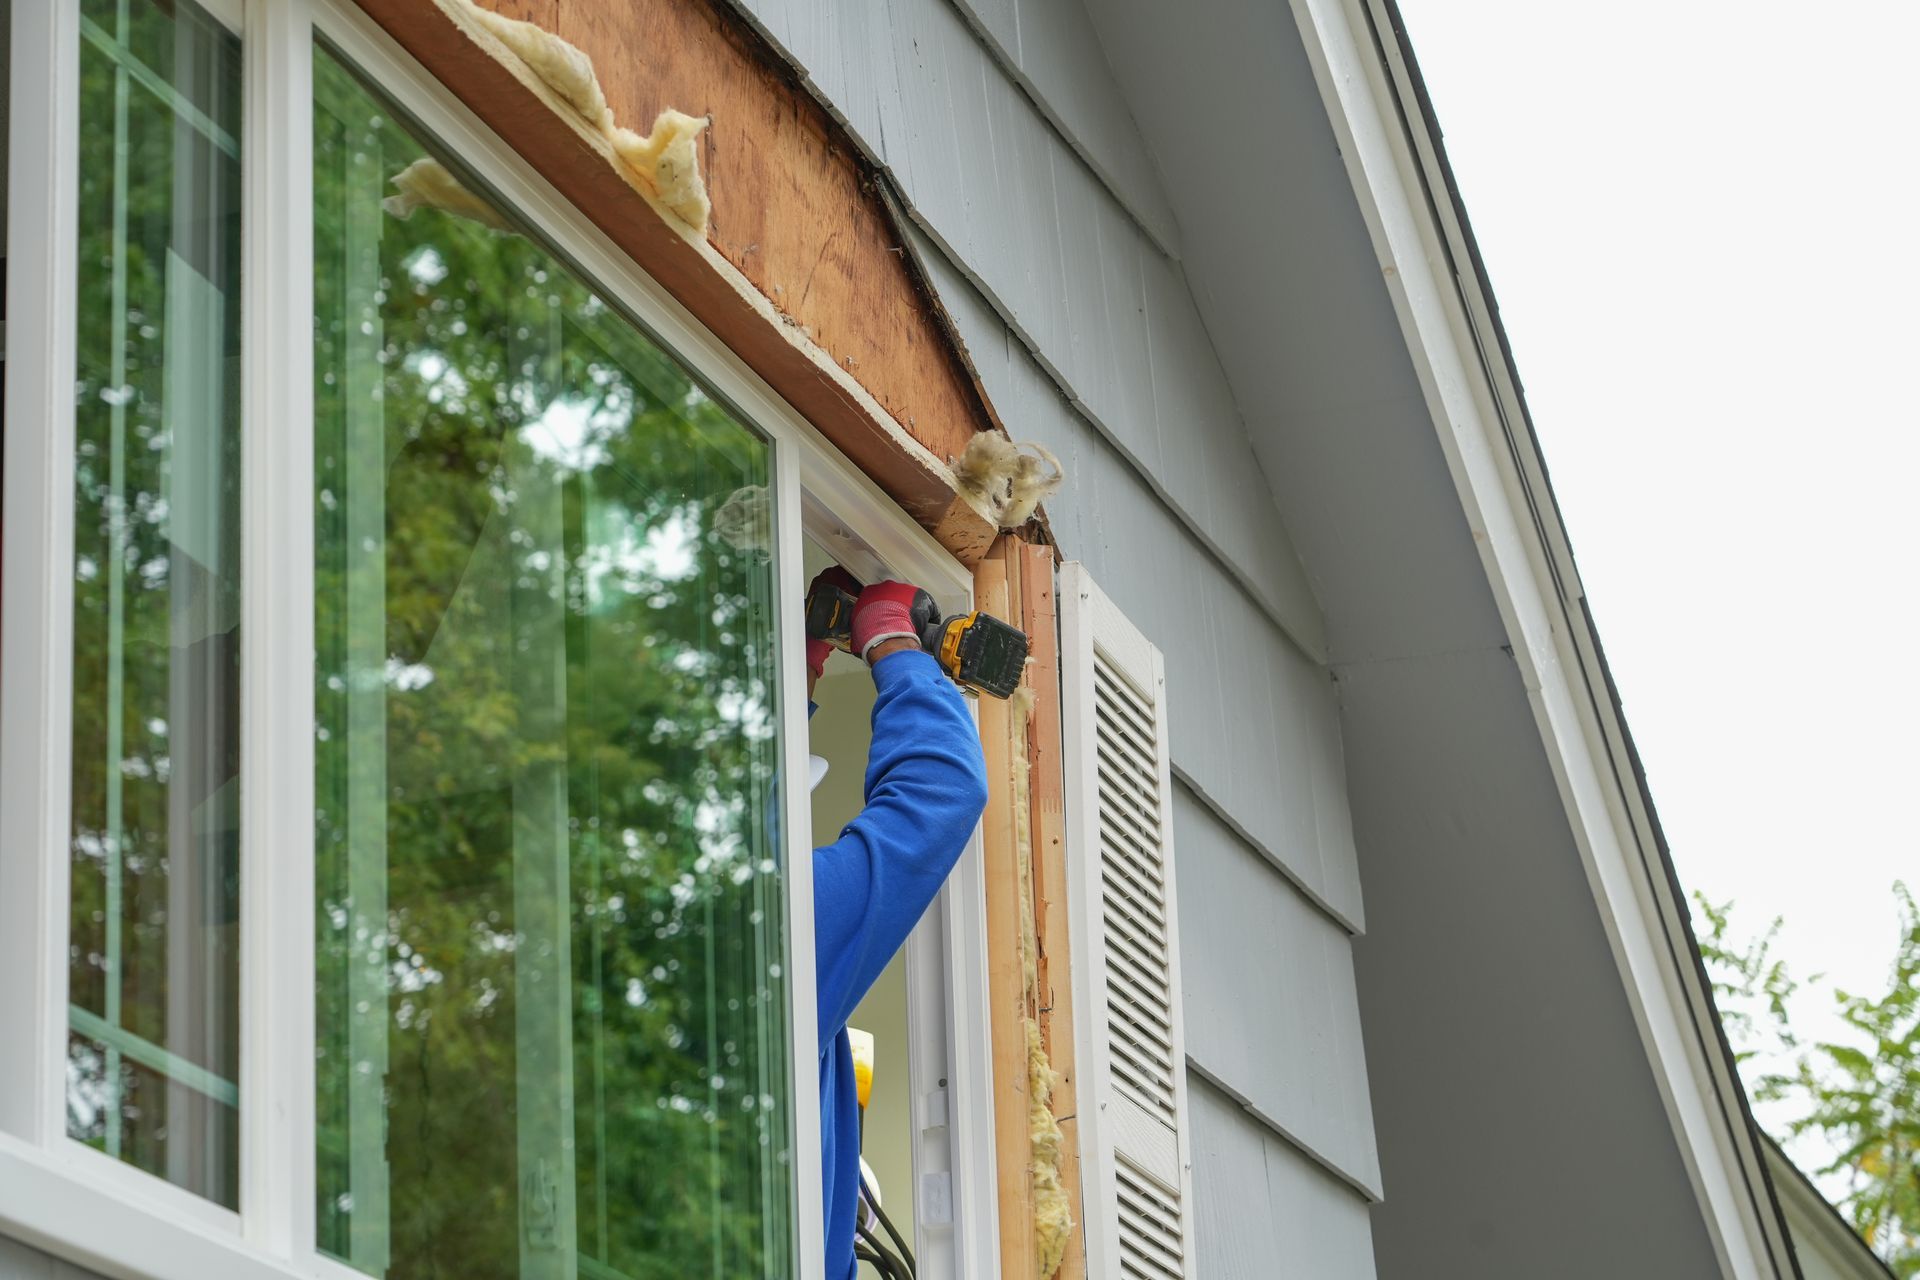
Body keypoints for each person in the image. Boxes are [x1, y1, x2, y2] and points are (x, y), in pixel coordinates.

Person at [803, 568, 989, 1280]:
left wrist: (807, 661)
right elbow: (941, 788)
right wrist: (889, 638)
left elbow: (741, 795)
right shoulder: (773, 935)